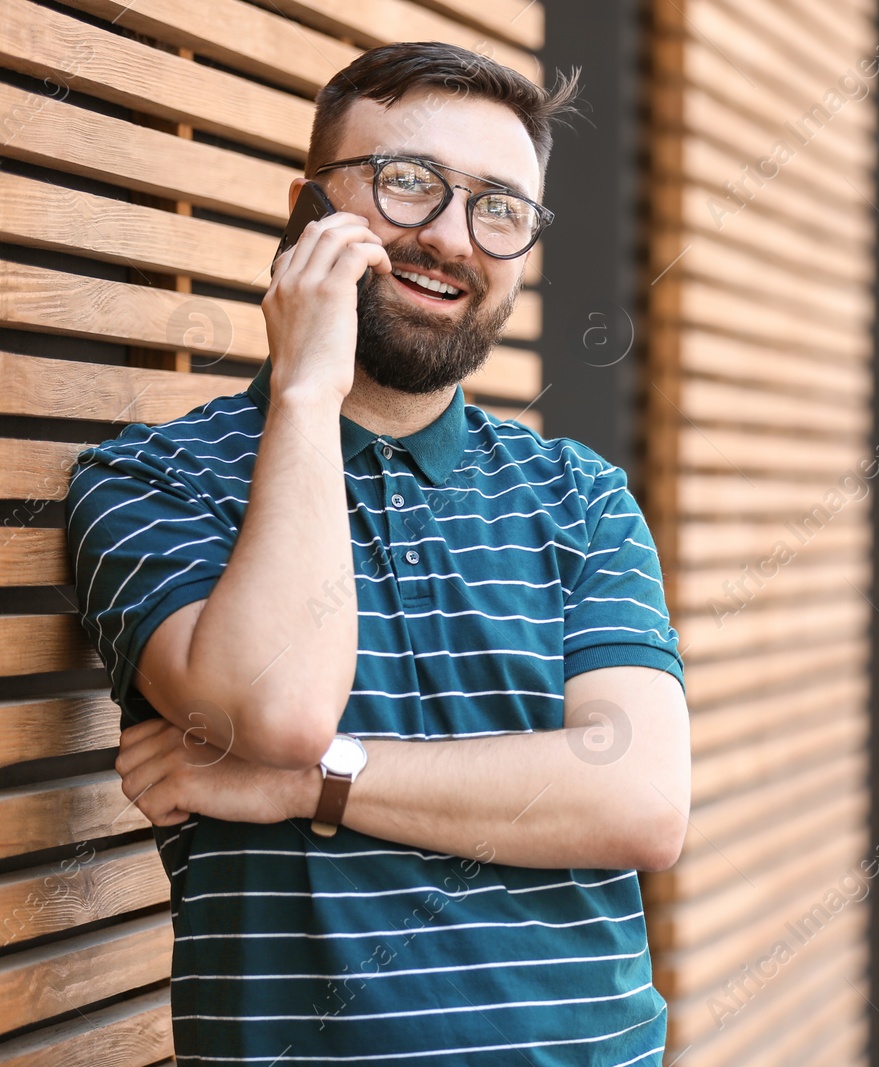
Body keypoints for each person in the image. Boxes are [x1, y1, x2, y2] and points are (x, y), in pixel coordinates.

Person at [64, 41, 689, 1065]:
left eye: (499, 209)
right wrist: (307, 391)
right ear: (306, 209)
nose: (450, 237)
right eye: (408, 185)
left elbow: (639, 800)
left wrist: (308, 784)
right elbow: (278, 709)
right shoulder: (152, 482)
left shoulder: (579, 494)